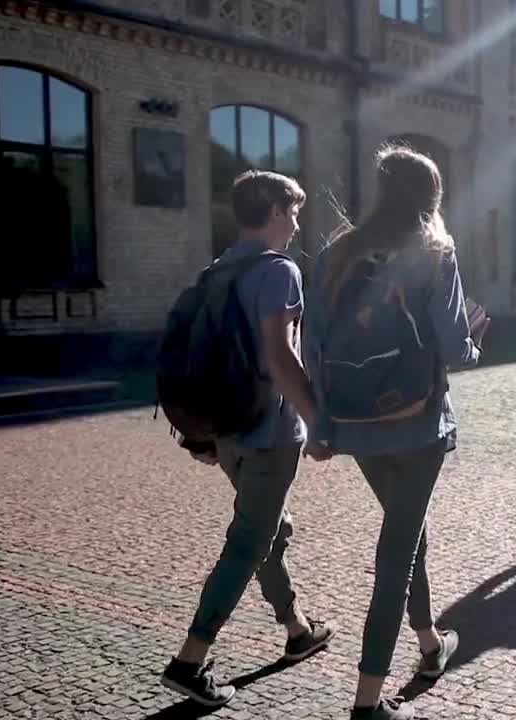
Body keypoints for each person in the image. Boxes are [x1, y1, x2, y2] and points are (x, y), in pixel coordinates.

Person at [303, 146, 488, 720]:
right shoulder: (434, 252)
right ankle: (367, 701)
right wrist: (475, 339)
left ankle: (430, 643)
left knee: (408, 532)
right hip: (417, 422)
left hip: (356, 421)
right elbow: (454, 346)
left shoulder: (338, 251)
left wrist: (322, 422)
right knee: (397, 553)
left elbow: (312, 343)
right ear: (433, 197)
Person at [160, 170, 334, 707]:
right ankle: (189, 662)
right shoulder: (279, 271)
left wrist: (203, 434)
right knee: (248, 543)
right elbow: (280, 356)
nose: (297, 224)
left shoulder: (217, 270)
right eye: (294, 212)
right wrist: (318, 420)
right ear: (276, 210)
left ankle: (298, 630)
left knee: (268, 532)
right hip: (270, 432)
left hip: (228, 429)